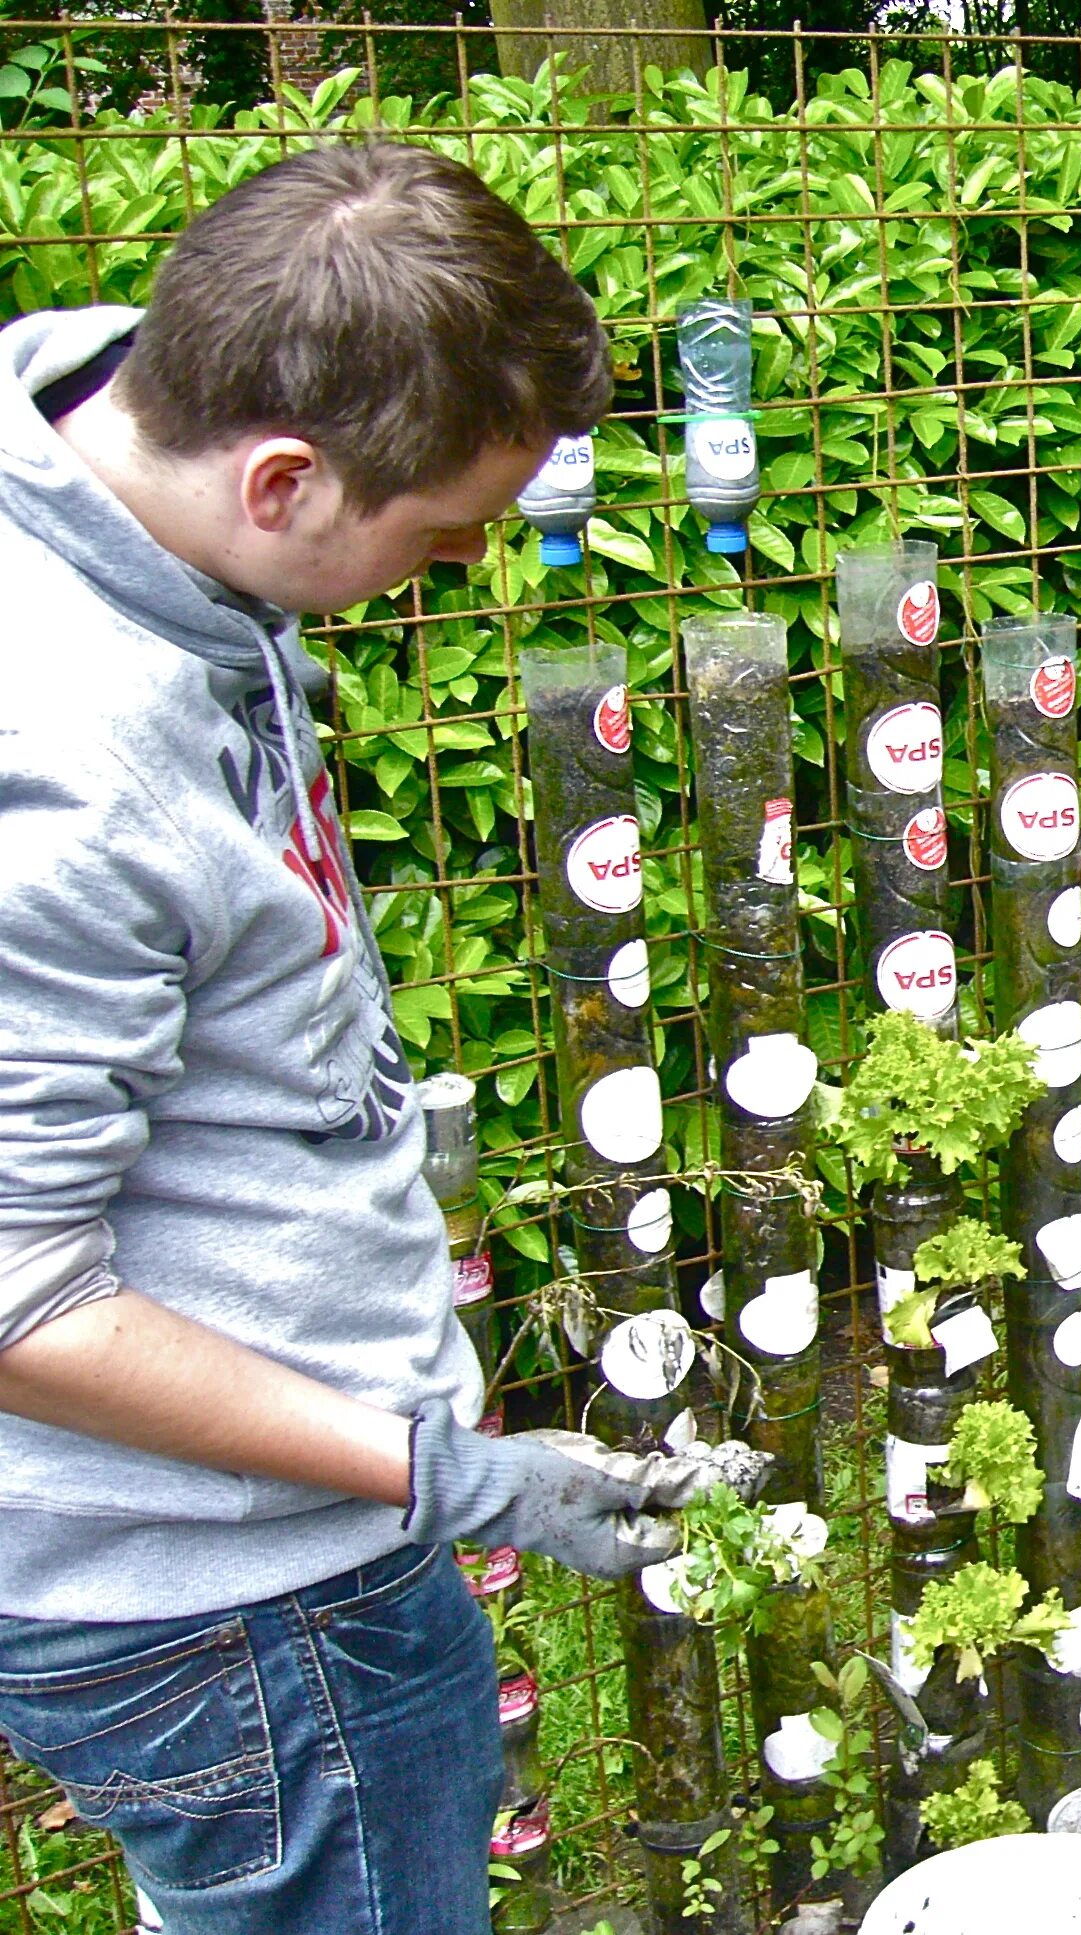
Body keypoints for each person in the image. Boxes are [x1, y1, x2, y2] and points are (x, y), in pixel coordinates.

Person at [0, 143, 702, 1935]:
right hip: (232, 1609)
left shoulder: (129, 457)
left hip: (269, 1572)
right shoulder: (65, 776)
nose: (462, 565)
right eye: (438, 532)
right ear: (287, 478)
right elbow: (16, 1294)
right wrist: (442, 1472)